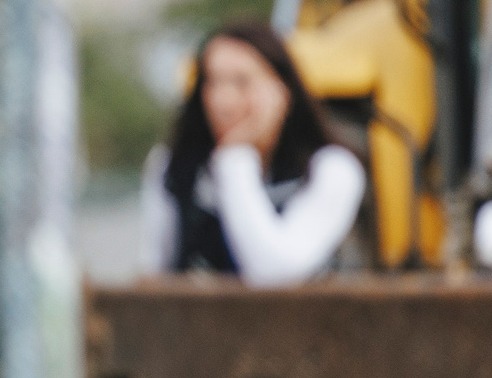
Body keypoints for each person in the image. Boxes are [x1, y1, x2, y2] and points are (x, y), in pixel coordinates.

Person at [140, 20, 367, 284]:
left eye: (241, 82)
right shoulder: (174, 166)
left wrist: (235, 159)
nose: (223, 101)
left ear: (283, 91)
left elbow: (275, 274)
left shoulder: (333, 168)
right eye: (212, 82)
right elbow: (155, 269)